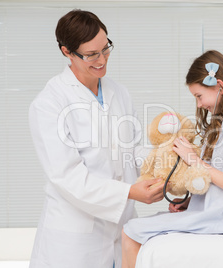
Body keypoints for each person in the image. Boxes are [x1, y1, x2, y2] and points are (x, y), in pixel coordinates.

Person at [28, 9, 164, 268]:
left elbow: (133, 148)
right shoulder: (49, 104)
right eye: (91, 54)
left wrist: (166, 172)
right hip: (75, 244)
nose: (102, 59)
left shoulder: (118, 92)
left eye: (106, 48)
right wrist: (129, 193)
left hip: (121, 231)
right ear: (66, 51)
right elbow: (67, 177)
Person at [121, 50, 223, 268]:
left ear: (220, 87)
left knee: (131, 231)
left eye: (199, 96)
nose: (198, 104)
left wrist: (194, 160)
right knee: (140, 227)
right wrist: (190, 202)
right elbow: (220, 177)